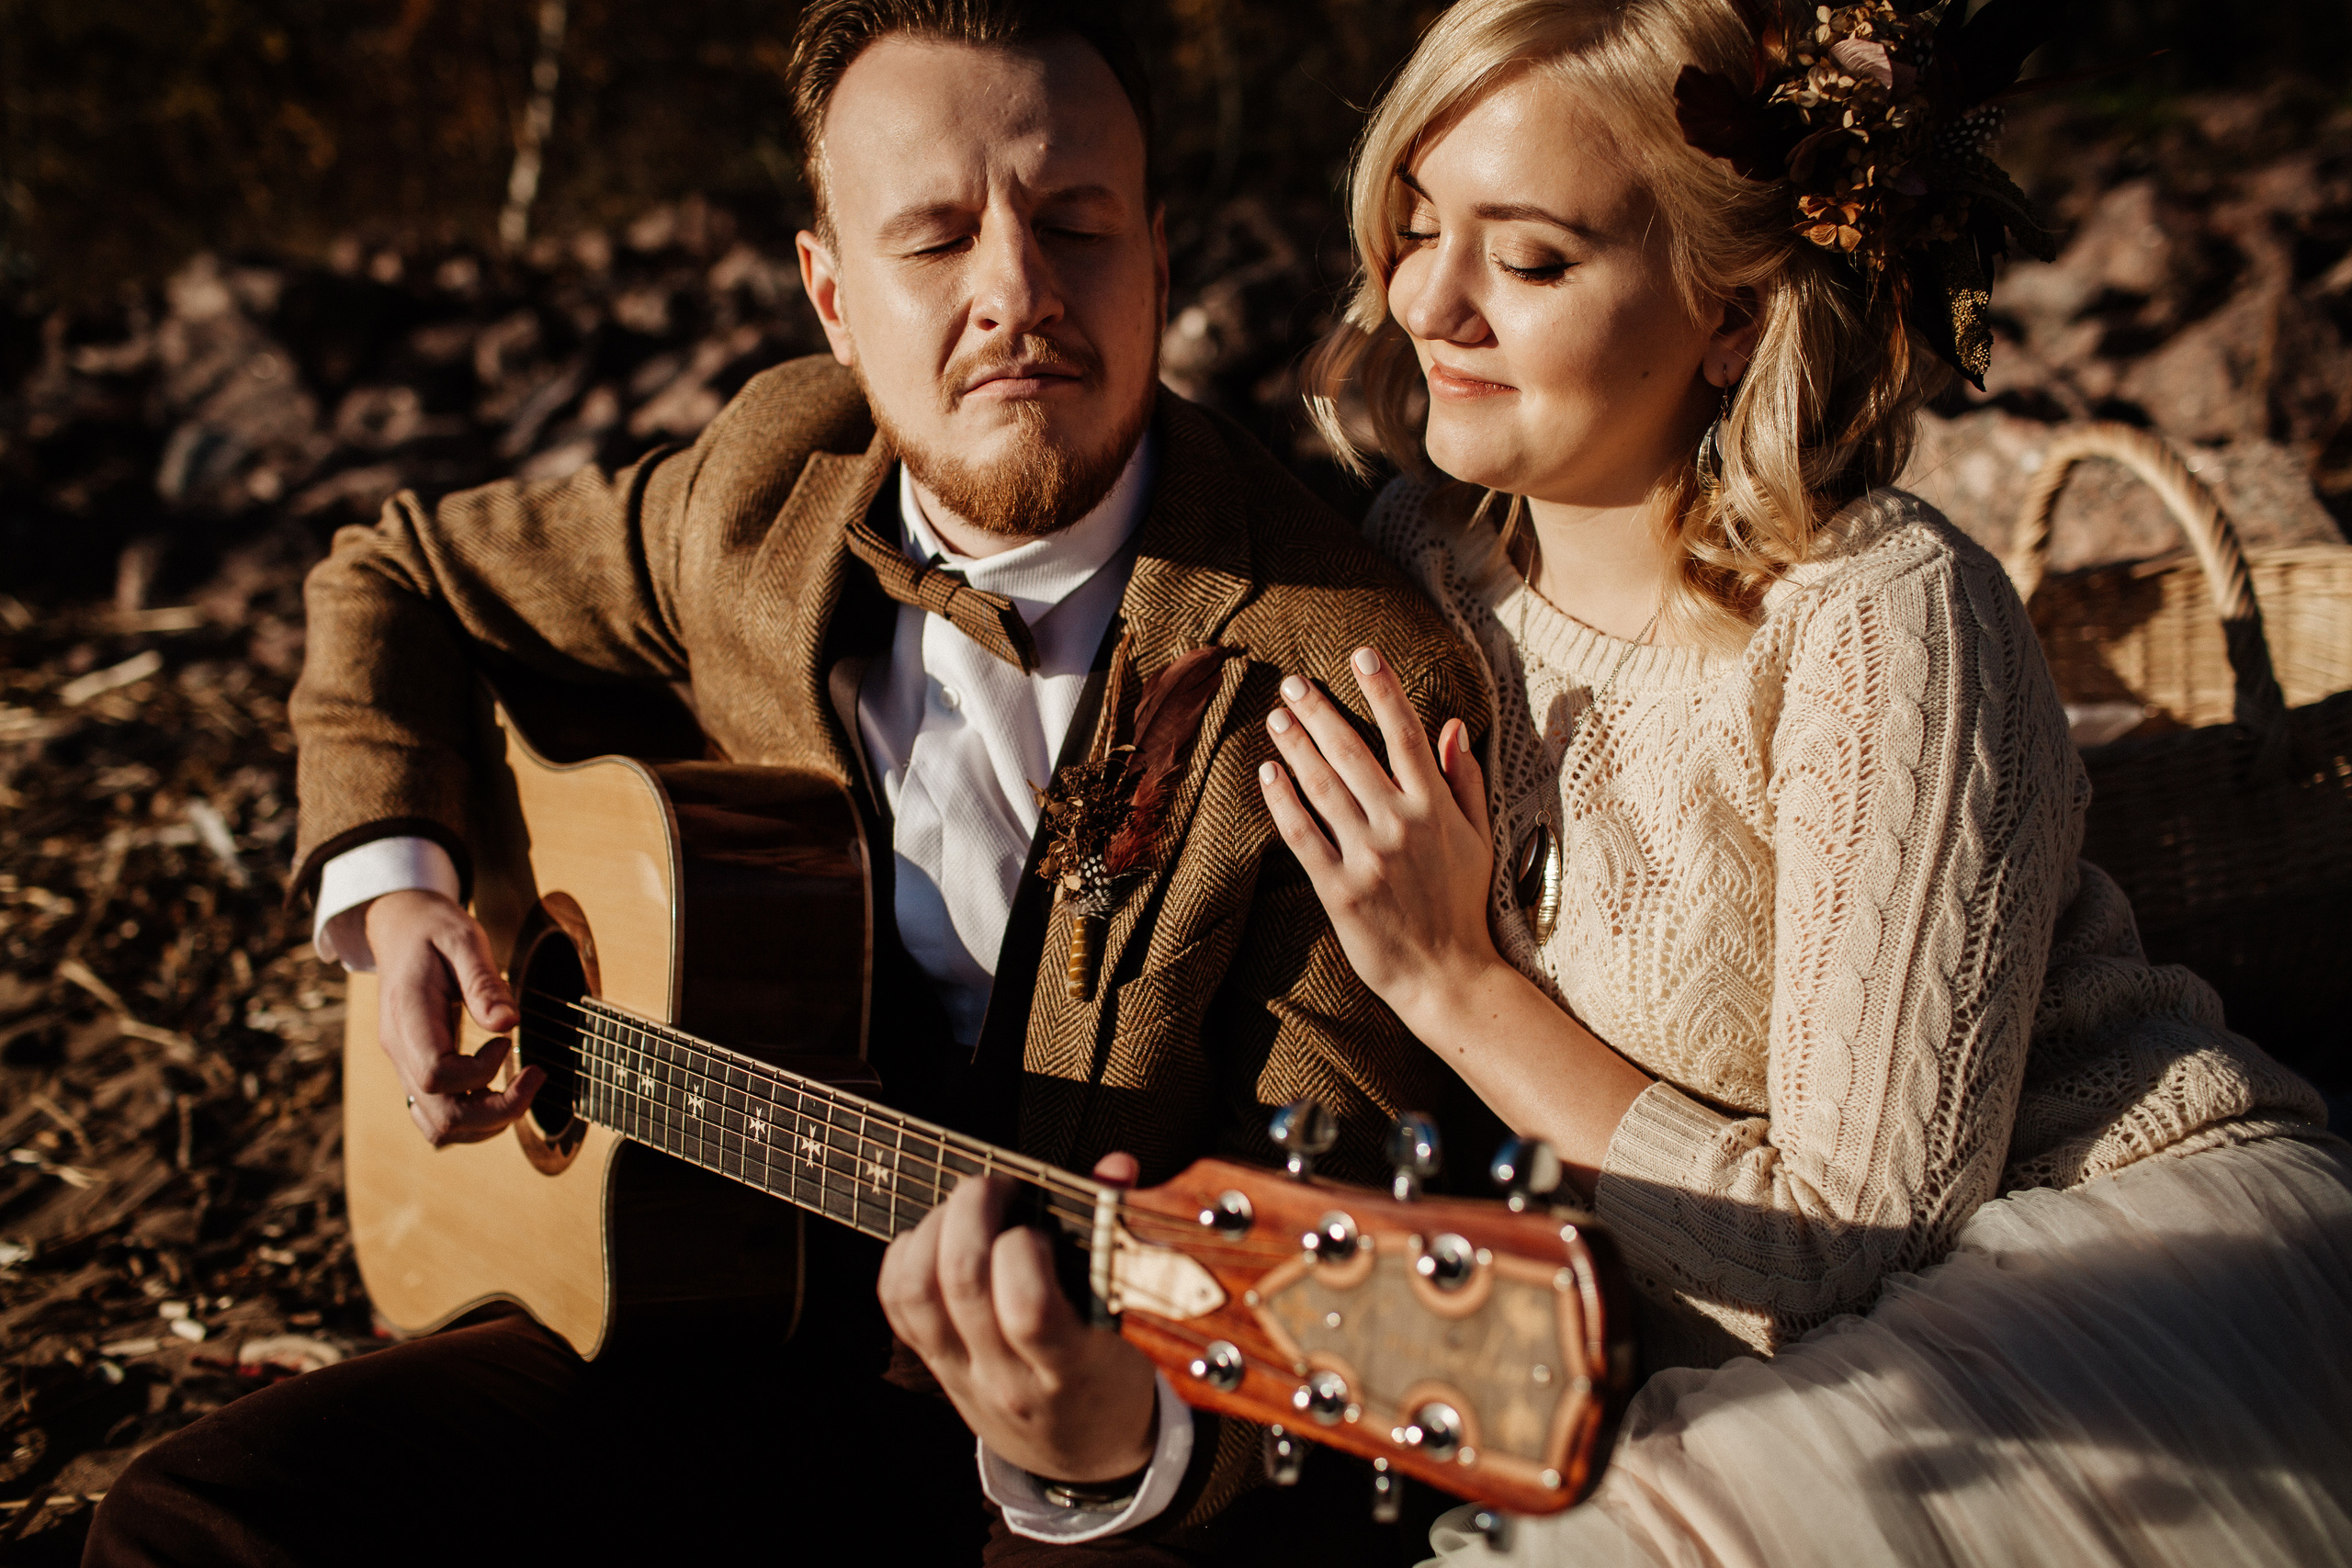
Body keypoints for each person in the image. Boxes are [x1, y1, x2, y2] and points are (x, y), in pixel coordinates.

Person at [81, 4, 1485, 1563]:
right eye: (936, 238)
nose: (1015, 292)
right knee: (186, 1520)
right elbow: (398, 573)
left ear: (1159, 255)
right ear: (831, 294)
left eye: (1075, 224)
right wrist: (401, 887)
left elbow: (1329, 1233)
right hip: (689, 1312)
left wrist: (1114, 1442)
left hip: (1062, 1444)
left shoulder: (1341, 671)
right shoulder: (768, 484)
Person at [1253, 0, 2352, 1562]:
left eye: (1532, 260)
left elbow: (1857, 1245)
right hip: (1701, 1364)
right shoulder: (1417, 568)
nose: (1430, 303)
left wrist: (1455, 984)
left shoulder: (1878, 617)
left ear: (1735, 317)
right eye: (1417, 228)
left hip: (2118, 1283)